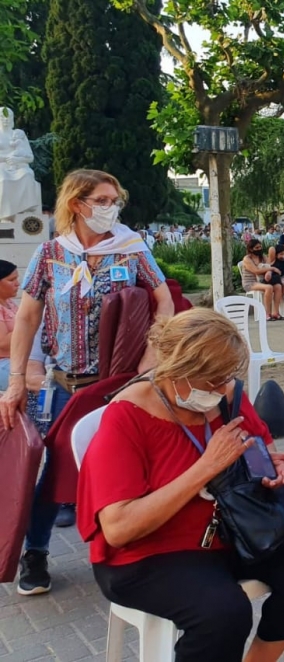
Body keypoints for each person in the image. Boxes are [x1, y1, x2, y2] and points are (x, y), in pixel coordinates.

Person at [78, 309, 284, 662]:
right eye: (211, 380)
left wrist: (267, 463)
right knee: (223, 612)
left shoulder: (227, 394)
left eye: (226, 377)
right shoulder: (126, 417)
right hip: (149, 554)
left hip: (231, 532)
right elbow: (119, 529)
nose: (221, 388)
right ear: (176, 371)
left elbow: (261, 442)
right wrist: (205, 468)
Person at [0, 169, 175, 596]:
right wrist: (18, 379)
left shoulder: (132, 250)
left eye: (114, 199)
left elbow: (163, 301)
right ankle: (35, 552)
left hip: (120, 385)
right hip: (65, 386)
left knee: (133, 468)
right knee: (57, 471)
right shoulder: (50, 255)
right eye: (101, 199)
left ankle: (142, 548)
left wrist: (149, 366)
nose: (111, 207)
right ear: (77, 204)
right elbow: (27, 317)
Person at [240, 239, 284, 321]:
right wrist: (272, 268)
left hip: (262, 281)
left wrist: (269, 271)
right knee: (268, 287)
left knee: (278, 286)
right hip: (250, 282)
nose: (259, 249)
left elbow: (267, 266)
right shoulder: (247, 259)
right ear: (251, 249)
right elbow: (256, 271)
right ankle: (266, 314)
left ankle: (275, 312)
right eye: (257, 247)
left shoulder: (263, 257)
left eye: (260, 247)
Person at [0, 260, 17, 390]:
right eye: (12, 280)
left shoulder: (10, 303)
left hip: (15, 358)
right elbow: (3, 342)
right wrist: (30, 328)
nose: (17, 284)